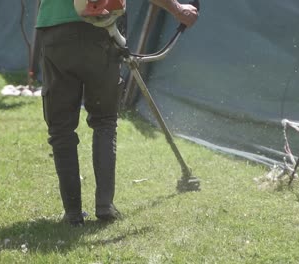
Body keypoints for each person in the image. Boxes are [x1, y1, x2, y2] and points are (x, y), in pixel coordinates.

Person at [36, 0, 198, 226]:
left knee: (61, 128)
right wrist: (178, 9)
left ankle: (72, 213)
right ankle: (104, 205)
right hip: (101, 29)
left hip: (56, 30)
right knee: (104, 121)